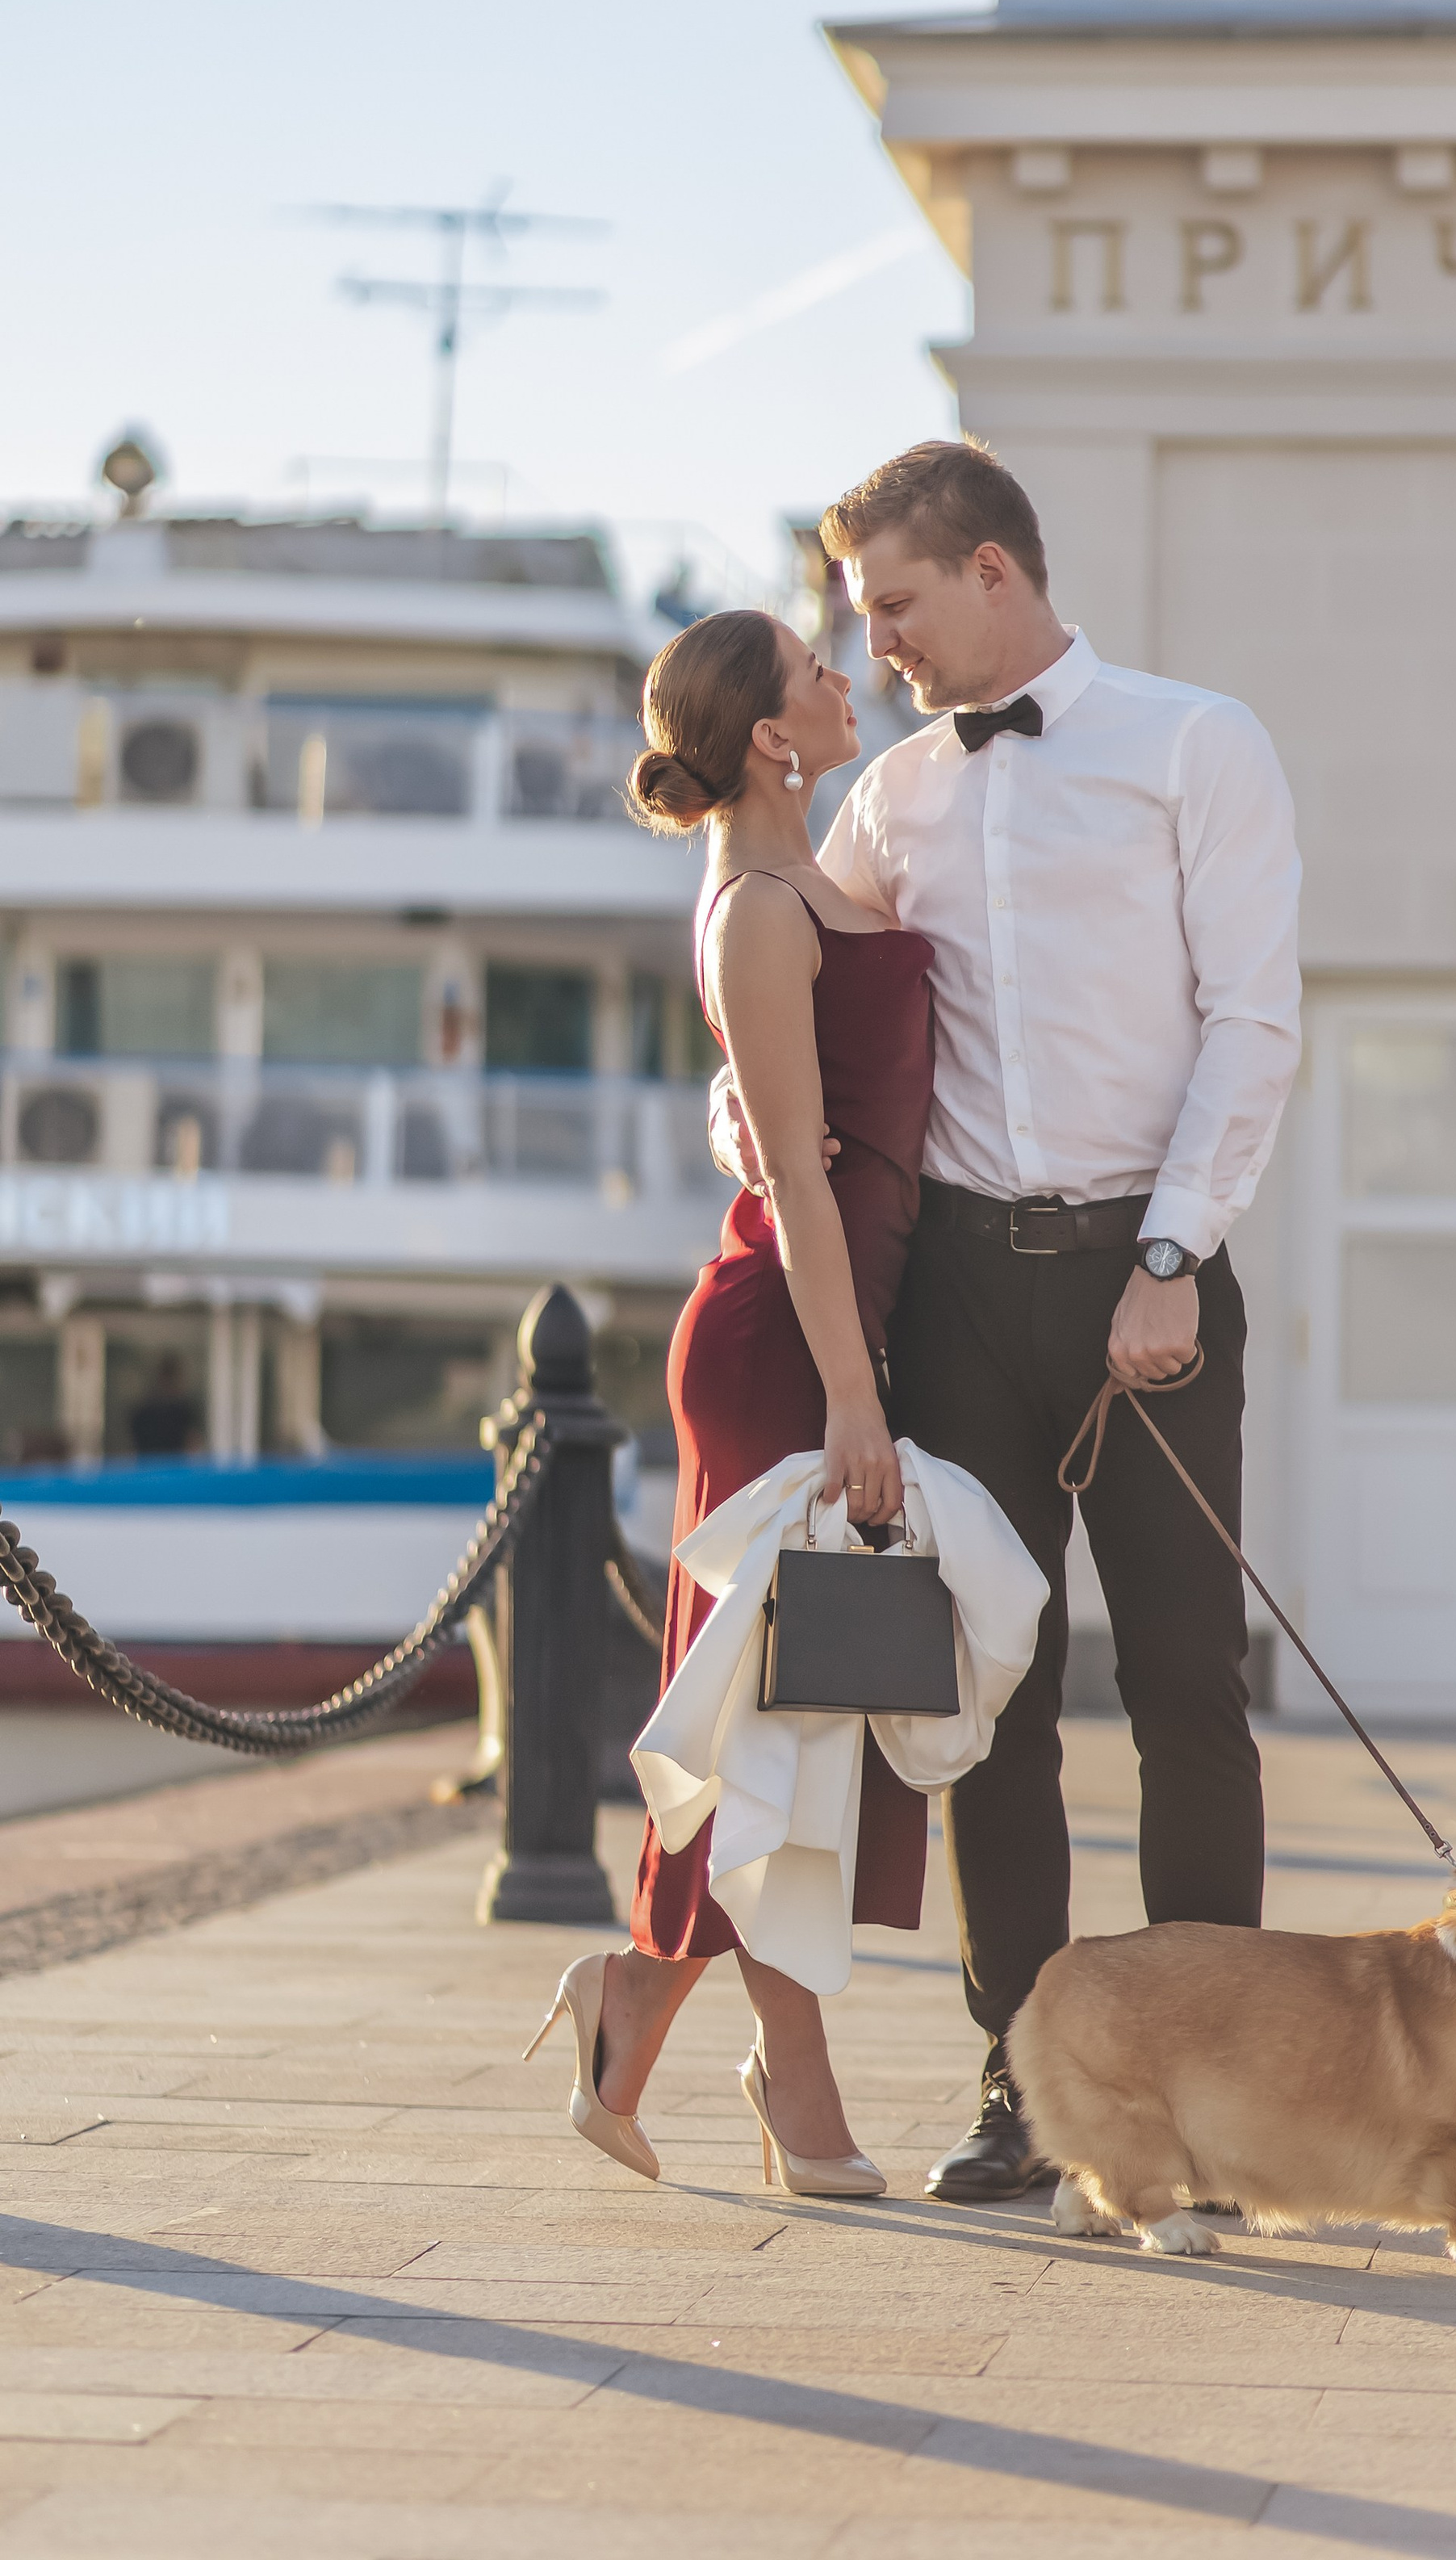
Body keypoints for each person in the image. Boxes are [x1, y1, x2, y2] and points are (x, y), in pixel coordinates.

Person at [717, 437, 1301, 2202]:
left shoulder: (1198, 745)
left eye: (889, 603)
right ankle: (1023, 2085)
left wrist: (1172, 1255)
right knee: (999, 1699)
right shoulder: (891, 796)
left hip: (1149, 1273)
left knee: (1189, 1685)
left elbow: (1250, 1025)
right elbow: (784, 999)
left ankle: (1205, 2091)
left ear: (991, 573)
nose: (873, 638)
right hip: (964, 1287)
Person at [525, 605, 936, 2196]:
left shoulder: (812, 868)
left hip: (836, 1327)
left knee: (783, 1715)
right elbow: (796, 1182)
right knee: (765, 1716)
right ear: (770, 737)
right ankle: (783, 2081)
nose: (845, 682)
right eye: (817, 672)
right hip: (784, 1342)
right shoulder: (759, 905)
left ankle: (636, 2007)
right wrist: (851, 1396)